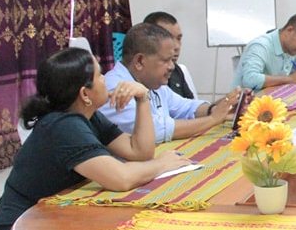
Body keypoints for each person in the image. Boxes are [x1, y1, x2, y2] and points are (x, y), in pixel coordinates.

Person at [0, 48, 191, 230]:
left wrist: (142, 99)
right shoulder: (64, 126)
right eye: (101, 76)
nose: (108, 80)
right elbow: (120, 179)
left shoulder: (86, 117)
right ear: (85, 93)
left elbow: (140, 151)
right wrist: (162, 165)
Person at [100, 23, 239, 143]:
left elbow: (185, 107)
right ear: (140, 61)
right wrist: (214, 119)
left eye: (172, 60)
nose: (172, 66)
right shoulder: (115, 88)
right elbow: (155, 131)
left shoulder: (152, 82)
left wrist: (220, 108)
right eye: (166, 60)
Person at [233, 12, 296, 89]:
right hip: (247, 104)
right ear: (290, 30)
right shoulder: (260, 46)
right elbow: (250, 79)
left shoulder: (290, 49)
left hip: (271, 100)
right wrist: (290, 79)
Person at [143, 11, 196, 99]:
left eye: (179, 38)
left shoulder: (177, 71)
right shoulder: (143, 76)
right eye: (169, 39)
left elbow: (191, 107)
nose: (176, 46)